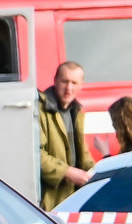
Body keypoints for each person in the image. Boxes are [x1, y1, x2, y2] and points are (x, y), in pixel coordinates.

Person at [38, 59, 93, 209]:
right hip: (49, 198)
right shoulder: (39, 111)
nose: (69, 88)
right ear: (55, 80)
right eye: (65, 81)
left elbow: (83, 152)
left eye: (74, 83)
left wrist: (95, 173)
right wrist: (67, 172)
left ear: (81, 85)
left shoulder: (77, 111)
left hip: (72, 198)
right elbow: (35, 155)